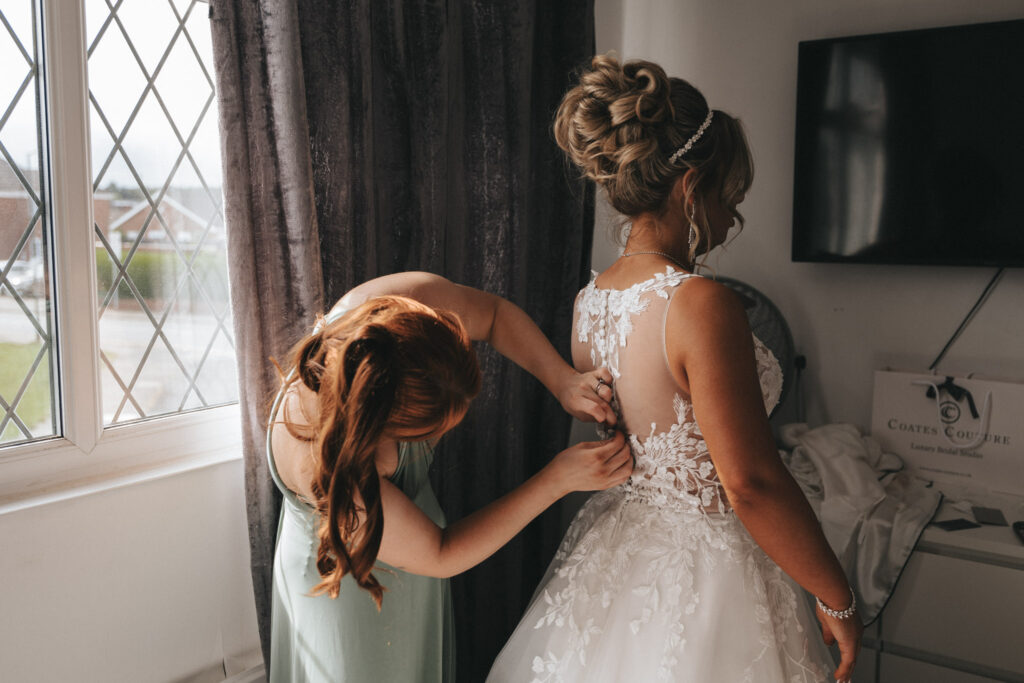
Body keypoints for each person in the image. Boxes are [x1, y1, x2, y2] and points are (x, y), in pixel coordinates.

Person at [487, 55, 863, 683]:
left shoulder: (591, 301)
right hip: (711, 567)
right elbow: (750, 483)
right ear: (691, 187)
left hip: (622, 549)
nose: (732, 218)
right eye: (727, 197)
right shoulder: (698, 303)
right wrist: (837, 596)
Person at [265, 271, 632, 683]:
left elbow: (493, 316)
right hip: (350, 597)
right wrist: (556, 480)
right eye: (428, 433)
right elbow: (440, 553)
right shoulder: (326, 463)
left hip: (415, 567)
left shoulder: (394, 312)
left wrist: (563, 380)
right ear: (382, 422)